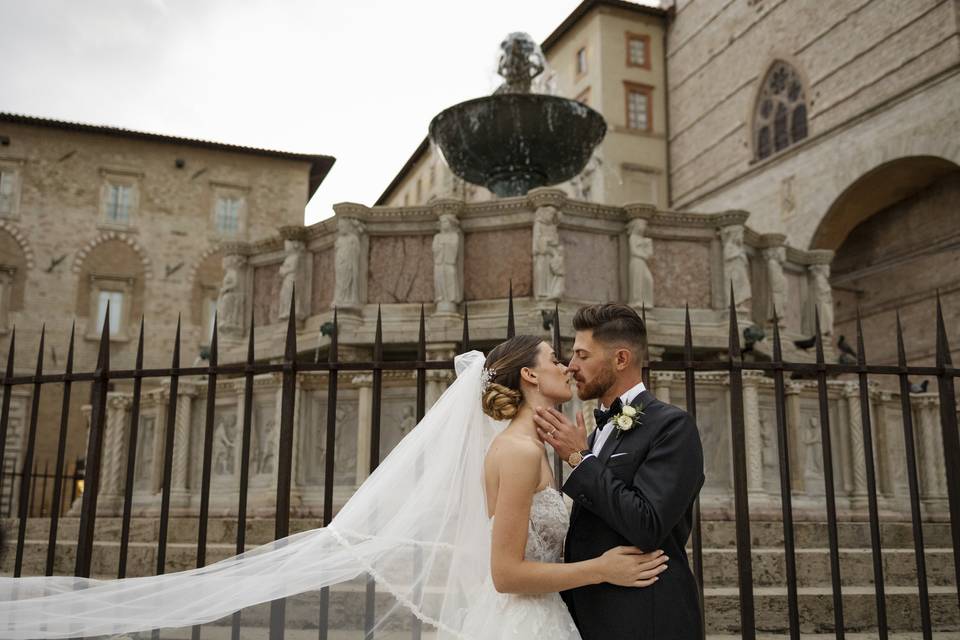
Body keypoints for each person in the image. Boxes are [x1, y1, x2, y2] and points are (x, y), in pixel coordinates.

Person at [0, 336, 665, 639]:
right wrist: (599, 568)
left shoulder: (534, 448)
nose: (568, 366)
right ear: (527, 378)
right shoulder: (518, 455)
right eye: (557, 359)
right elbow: (505, 572)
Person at [534, 303, 705, 639]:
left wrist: (580, 459)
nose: (571, 366)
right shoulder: (598, 431)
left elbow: (647, 524)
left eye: (582, 355)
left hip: (644, 618)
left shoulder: (672, 426)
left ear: (621, 359)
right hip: (589, 614)